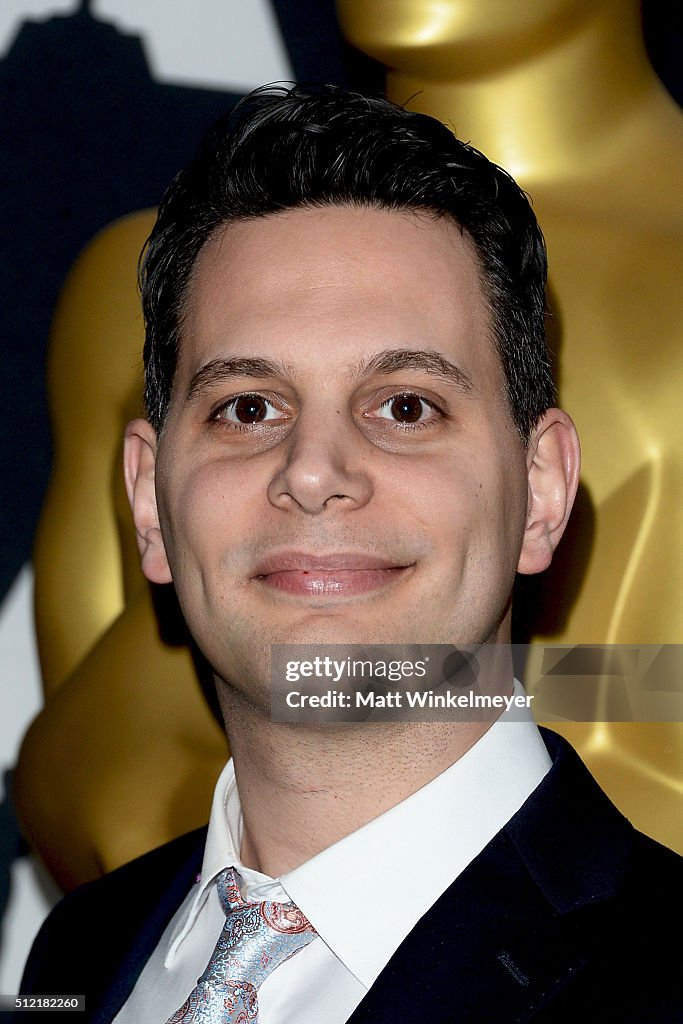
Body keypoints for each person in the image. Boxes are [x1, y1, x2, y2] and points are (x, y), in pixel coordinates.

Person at [18, 84, 682, 1022]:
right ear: (148, 502)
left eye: (405, 406)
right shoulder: (78, 956)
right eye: (247, 407)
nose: (314, 471)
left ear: (540, 490)